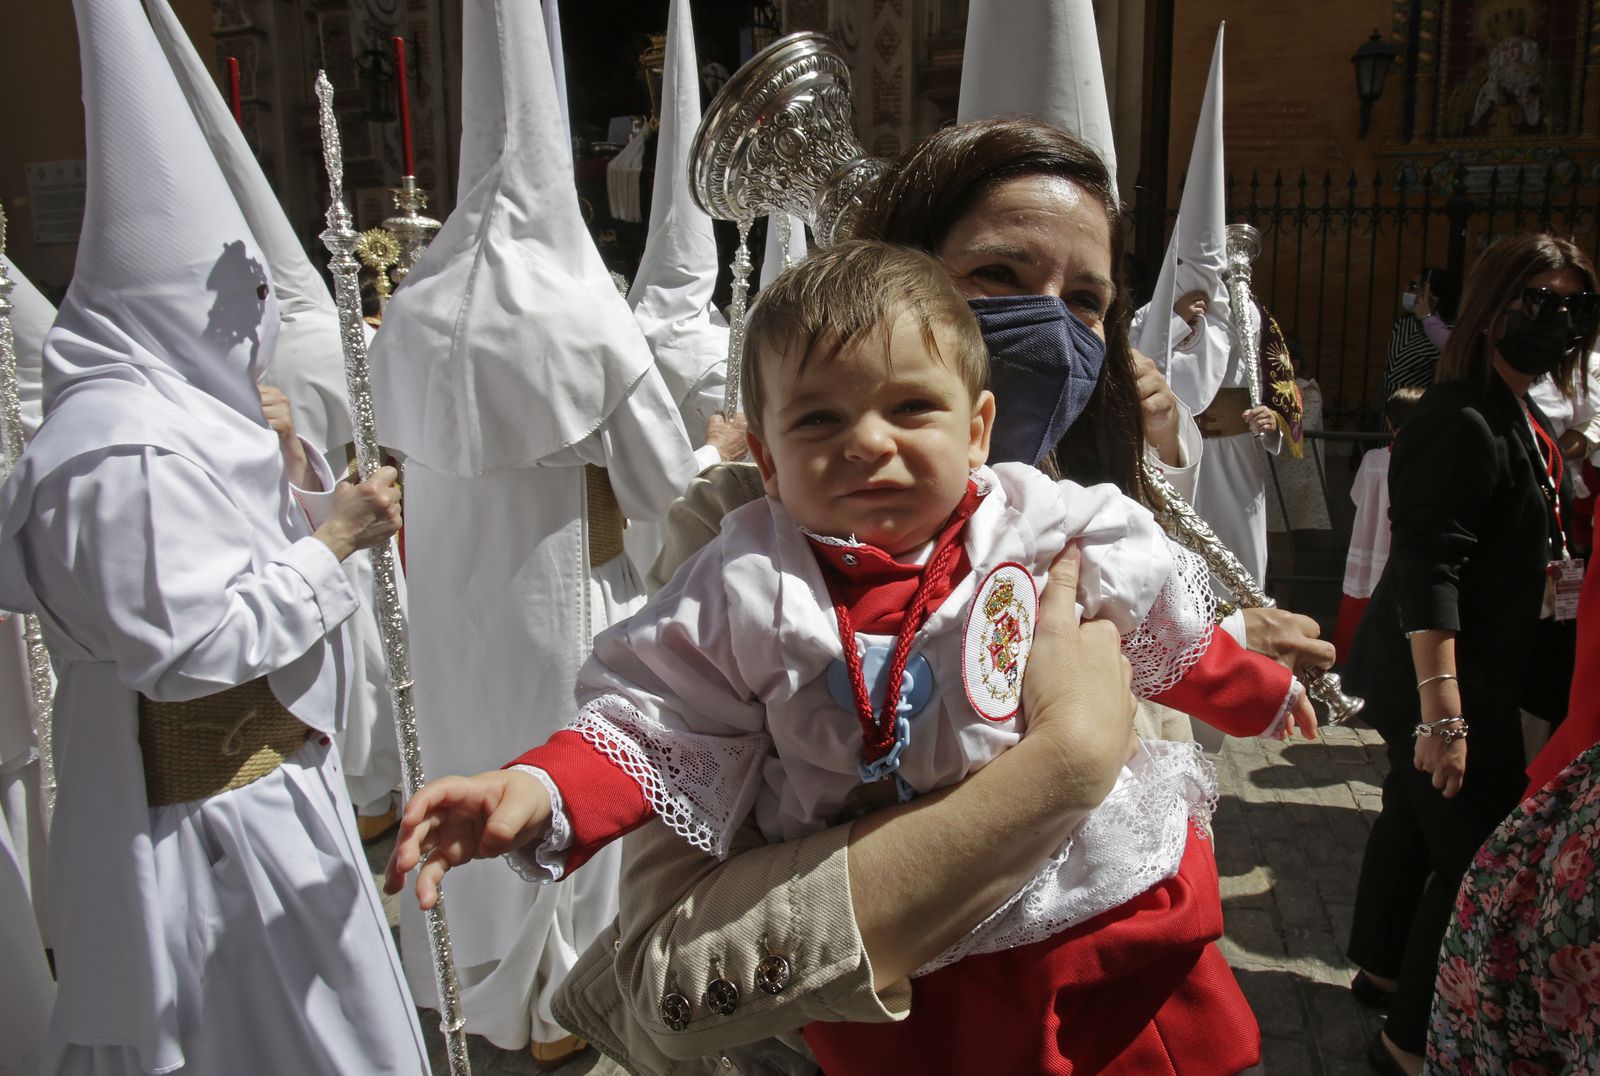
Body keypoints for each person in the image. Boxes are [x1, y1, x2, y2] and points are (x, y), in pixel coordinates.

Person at [392, 242, 1319, 1074]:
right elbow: (655, 717)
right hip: (910, 936)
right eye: (819, 422)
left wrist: (1263, 698)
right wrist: (541, 790)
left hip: (1088, 893)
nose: (868, 441)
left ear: (978, 428)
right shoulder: (744, 580)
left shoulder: (1039, 526)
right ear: (765, 453)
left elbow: (1165, 630)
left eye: (911, 407)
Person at [0, 0, 432, 1070]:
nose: (251, 325)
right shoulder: (124, 449)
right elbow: (184, 648)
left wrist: (290, 480)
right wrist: (331, 542)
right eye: (236, 302)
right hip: (208, 835)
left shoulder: (163, 419)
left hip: (266, 793)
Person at [367, 0, 710, 1062]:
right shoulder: (583, 312)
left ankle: (468, 973)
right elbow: (658, 485)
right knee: (556, 771)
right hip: (564, 585)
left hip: (452, 604)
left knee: (471, 763)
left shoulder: (414, 307)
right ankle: (559, 994)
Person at [1344, 233, 1596, 1075]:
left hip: (1467, 668)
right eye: (1536, 302)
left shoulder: (1515, 409)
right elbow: (1429, 569)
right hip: (1445, 680)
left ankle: (1378, 967)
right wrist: (1444, 715)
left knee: (1413, 824)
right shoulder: (1457, 418)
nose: (1554, 320)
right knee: (1474, 862)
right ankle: (1407, 1042)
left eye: (1572, 305)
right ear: (1490, 311)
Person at [1331, 386, 1423, 660]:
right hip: (1401, 542)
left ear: (1389, 422)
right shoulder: (1425, 461)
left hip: (1371, 538)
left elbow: (1356, 496)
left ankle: (1358, 655)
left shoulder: (1373, 460)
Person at [1379, 268, 1456, 402]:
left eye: (1413, 286)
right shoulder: (1404, 323)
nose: (1406, 289)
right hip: (1390, 403)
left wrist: (1428, 316)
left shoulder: (1445, 330)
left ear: (1429, 293)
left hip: (1417, 404)